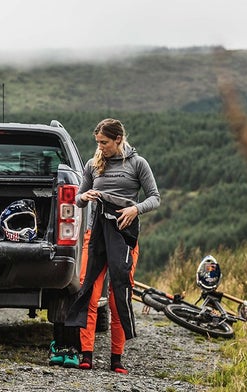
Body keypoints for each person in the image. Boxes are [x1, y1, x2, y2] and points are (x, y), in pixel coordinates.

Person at [65, 118, 160, 374]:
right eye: (97, 142)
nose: (100, 147)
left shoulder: (137, 164)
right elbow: (78, 199)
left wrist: (135, 208)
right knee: (89, 294)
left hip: (124, 238)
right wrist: (83, 196)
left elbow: (155, 198)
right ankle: (86, 355)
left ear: (118, 139)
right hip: (95, 236)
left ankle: (116, 358)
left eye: (104, 142)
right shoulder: (93, 164)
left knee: (119, 296)